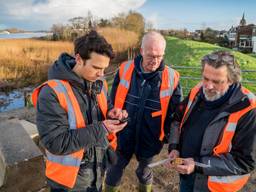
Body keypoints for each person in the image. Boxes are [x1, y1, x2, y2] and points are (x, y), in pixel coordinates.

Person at [32, 31, 128, 192]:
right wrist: (102, 128)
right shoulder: (52, 92)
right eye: (97, 67)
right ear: (78, 59)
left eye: (104, 69)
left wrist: (112, 113)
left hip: (97, 170)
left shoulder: (100, 82)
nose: (101, 74)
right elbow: (56, 142)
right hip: (69, 182)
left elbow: (106, 106)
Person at [104, 31, 183, 192]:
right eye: (150, 56)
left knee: (144, 171)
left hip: (151, 137)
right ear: (141, 51)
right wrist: (113, 115)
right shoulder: (124, 69)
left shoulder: (172, 77)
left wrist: (166, 137)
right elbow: (111, 101)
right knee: (114, 170)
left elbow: (175, 114)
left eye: (159, 56)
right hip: (122, 134)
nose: (155, 61)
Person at [168, 50, 256, 192]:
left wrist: (197, 165)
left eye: (216, 82)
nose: (208, 86)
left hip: (213, 185)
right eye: (205, 78)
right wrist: (174, 147)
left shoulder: (248, 107)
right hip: (186, 173)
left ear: (231, 80)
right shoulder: (197, 90)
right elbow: (177, 119)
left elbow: (244, 162)